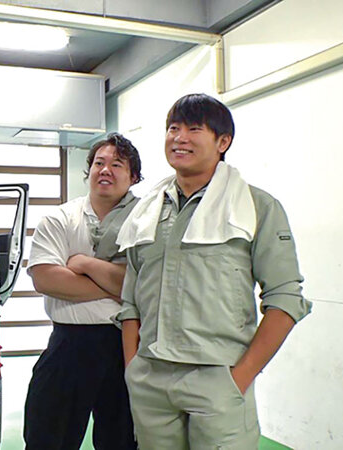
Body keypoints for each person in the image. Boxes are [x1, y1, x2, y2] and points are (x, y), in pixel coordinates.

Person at [115, 93, 312, 449]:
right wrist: (134, 368)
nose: (179, 138)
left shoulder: (255, 206)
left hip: (218, 381)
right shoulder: (147, 212)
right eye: (173, 128)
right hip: (150, 379)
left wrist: (239, 379)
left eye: (194, 129)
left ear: (223, 142)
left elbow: (285, 299)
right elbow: (130, 299)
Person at [23, 133, 141, 450]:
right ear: (88, 171)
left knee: (123, 441)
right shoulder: (59, 219)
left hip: (127, 344)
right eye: (99, 163)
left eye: (117, 164)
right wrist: (118, 286)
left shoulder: (146, 221)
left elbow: (145, 285)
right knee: (47, 438)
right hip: (69, 344)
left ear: (133, 177)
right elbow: (46, 279)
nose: (106, 170)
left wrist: (85, 264)